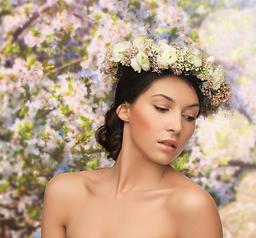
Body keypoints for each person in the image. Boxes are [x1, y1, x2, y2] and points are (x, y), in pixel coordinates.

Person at [41, 36, 230, 238]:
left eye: (189, 117)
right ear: (125, 111)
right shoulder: (65, 192)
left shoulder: (192, 206)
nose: (177, 126)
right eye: (161, 108)